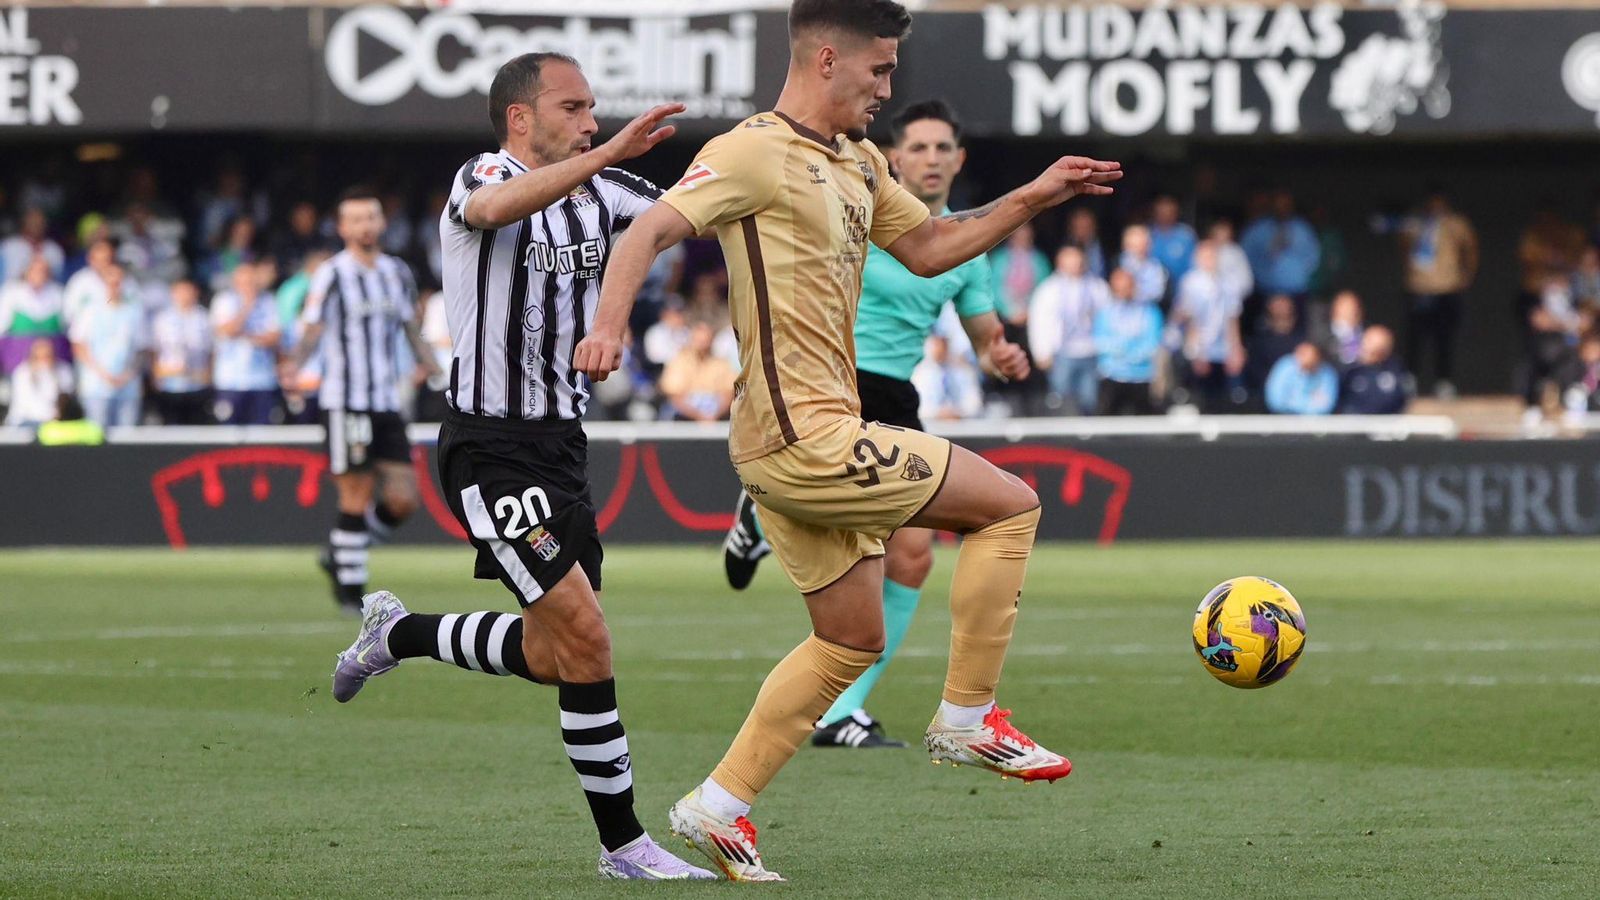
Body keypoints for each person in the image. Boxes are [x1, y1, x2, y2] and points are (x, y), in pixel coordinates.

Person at [573, 0, 1120, 880]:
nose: (888, 89)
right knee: (1010, 507)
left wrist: (1037, 193)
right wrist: (608, 328)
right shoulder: (752, 150)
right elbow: (650, 227)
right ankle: (970, 717)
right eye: (881, 71)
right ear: (828, 59)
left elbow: (936, 246)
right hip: (803, 436)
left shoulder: (859, 160)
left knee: (851, 639)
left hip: (808, 434)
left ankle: (719, 806)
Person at [324, 53, 711, 881]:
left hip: (563, 445)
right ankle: (625, 847)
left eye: (594, 109)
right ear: (520, 119)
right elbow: (494, 207)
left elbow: (686, 215)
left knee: (553, 654)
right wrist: (605, 156)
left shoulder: (602, 193)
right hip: (488, 446)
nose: (591, 122)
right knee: (590, 640)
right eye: (573, 108)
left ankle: (397, 633)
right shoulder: (485, 175)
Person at [721, 98, 1029, 752]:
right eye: (918, 147)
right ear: (896, 157)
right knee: (874, 559)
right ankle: (765, 514)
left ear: (959, 159)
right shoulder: (862, 213)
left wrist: (1000, 355)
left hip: (894, 399)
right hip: (830, 388)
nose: (931, 158)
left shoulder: (965, 251)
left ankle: (843, 710)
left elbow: (985, 334)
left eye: (943, 148)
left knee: (913, 560)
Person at [280, 188, 442, 611]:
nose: (366, 225)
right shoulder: (332, 273)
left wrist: (438, 370)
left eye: (371, 217)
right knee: (355, 490)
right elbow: (313, 328)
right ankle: (351, 591)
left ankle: (340, 551)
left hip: (387, 399)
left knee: (403, 499)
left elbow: (412, 328)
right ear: (342, 228)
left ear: (381, 222)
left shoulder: (397, 272)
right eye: (356, 219)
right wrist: (294, 364)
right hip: (345, 399)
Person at [1395, 189, 1478, 398]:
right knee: (1414, 336)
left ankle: (1444, 380)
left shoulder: (1456, 223)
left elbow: (1471, 250)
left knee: (1444, 337)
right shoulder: (1415, 222)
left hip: (1447, 287)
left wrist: (1465, 277)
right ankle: (1410, 378)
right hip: (1419, 286)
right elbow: (1403, 247)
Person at [1029, 244, 1108, 415]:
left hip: (1090, 351)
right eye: (1070, 258)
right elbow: (1039, 322)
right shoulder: (1049, 289)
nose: (1075, 263)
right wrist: (1041, 352)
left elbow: (1107, 319)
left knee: (1089, 400)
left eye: (1078, 258)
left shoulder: (1097, 286)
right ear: (1060, 261)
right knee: (1061, 399)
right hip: (1061, 353)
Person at [1169, 241, 1245, 412]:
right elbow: (1188, 320)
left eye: (1213, 256)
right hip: (1199, 348)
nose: (1210, 260)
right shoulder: (1190, 283)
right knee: (1199, 395)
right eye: (1205, 256)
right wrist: (1197, 352)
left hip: (1222, 348)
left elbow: (1232, 319)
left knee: (1223, 398)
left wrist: (1236, 348)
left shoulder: (1229, 283)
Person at [209, 262, 281, 425]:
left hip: (262, 380)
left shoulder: (268, 301)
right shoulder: (223, 301)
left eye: (251, 281)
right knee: (228, 435)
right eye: (244, 281)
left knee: (261, 435)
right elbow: (227, 331)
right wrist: (247, 307)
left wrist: (247, 336)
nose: (249, 285)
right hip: (230, 380)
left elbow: (274, 337)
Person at [1092, 268, 1163, 415]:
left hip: (1141, 377)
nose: (1123, 291)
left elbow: (1152, 342)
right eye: (1119, 288)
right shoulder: (1105, 312)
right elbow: (1100, 340)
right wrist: (1121, 351)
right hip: (1112, 376)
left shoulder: (1149, 311)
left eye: (1127, 287)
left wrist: (1132, 356)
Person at [148, 280, 212, 424]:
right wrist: (156, 375)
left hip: (197, 384)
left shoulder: (203, 318)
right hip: (170, 384)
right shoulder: (162, 319)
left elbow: (211, 351)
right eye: (181, 292)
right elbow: (153, 350)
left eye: (188, 291)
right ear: (173, 294)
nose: (185, 296)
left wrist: (208, 375)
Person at [659, 319, 735, 421]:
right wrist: (699, 416)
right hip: (684, 415)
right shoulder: (679, 360)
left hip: (716, 415)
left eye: (705, 340)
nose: (702, 344)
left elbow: (728, 393)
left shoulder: (721, 363)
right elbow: (674, 396)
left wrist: (712, 416)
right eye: (699, 340)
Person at [1339, 325, 1411, 414]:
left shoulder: (1395, 368)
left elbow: (1402, 397)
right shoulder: (1350, 370)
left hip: (1388, 423)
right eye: (1370, 341)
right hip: (1353, 423)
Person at [4, 337, 73, 426]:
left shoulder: (63, 371)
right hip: (27, 420)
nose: (43, 360)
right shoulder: (22, 373)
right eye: (39, 357)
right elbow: (25, 404)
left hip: (55, 422)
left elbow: (65, 399)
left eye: (47, 356)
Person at [1265, 342, 1338, 415]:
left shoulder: (1326, 372)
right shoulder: (1285, 368)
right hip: (1284, 417)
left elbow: (1326, 405)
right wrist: (1304, 405)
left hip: (1315, 421)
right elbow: (1276, 401)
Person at [1148, 193, 1197, 282]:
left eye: (1169, 211)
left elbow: (1194, 265)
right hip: (1152, 289)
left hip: (1180, 288)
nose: (1165, 215)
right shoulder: (1147, 234)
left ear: (1176, 213)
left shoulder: (1186, 235)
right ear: (1155, 212)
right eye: (1161, 212)